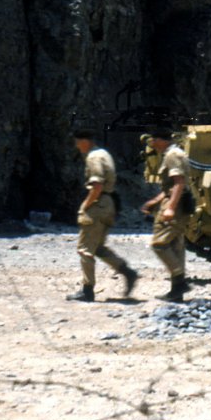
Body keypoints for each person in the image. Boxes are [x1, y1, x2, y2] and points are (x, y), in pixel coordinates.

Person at [68, 129, 139, 302]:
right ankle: (127, 272)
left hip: (98, 205)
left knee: (85, 249)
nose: (77, 146)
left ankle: (87, 290)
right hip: (109, 204)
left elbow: (97, 185)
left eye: (78, 142)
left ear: (85, 140)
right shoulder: (104, 153)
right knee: (98, 248)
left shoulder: (93, 157)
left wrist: (85, 205)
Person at [142, 128, 192, 301]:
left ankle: (179, 280)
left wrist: (170, 208)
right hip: (174, 201)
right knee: (176, 246)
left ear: (160, 139)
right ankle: (176, 292)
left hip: (175, 205)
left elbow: (179, 183)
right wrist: (155, 201)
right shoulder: (173, 153)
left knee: (159, 244)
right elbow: (170, 185)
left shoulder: (172, 155)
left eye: (152, 141)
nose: (152, 145)